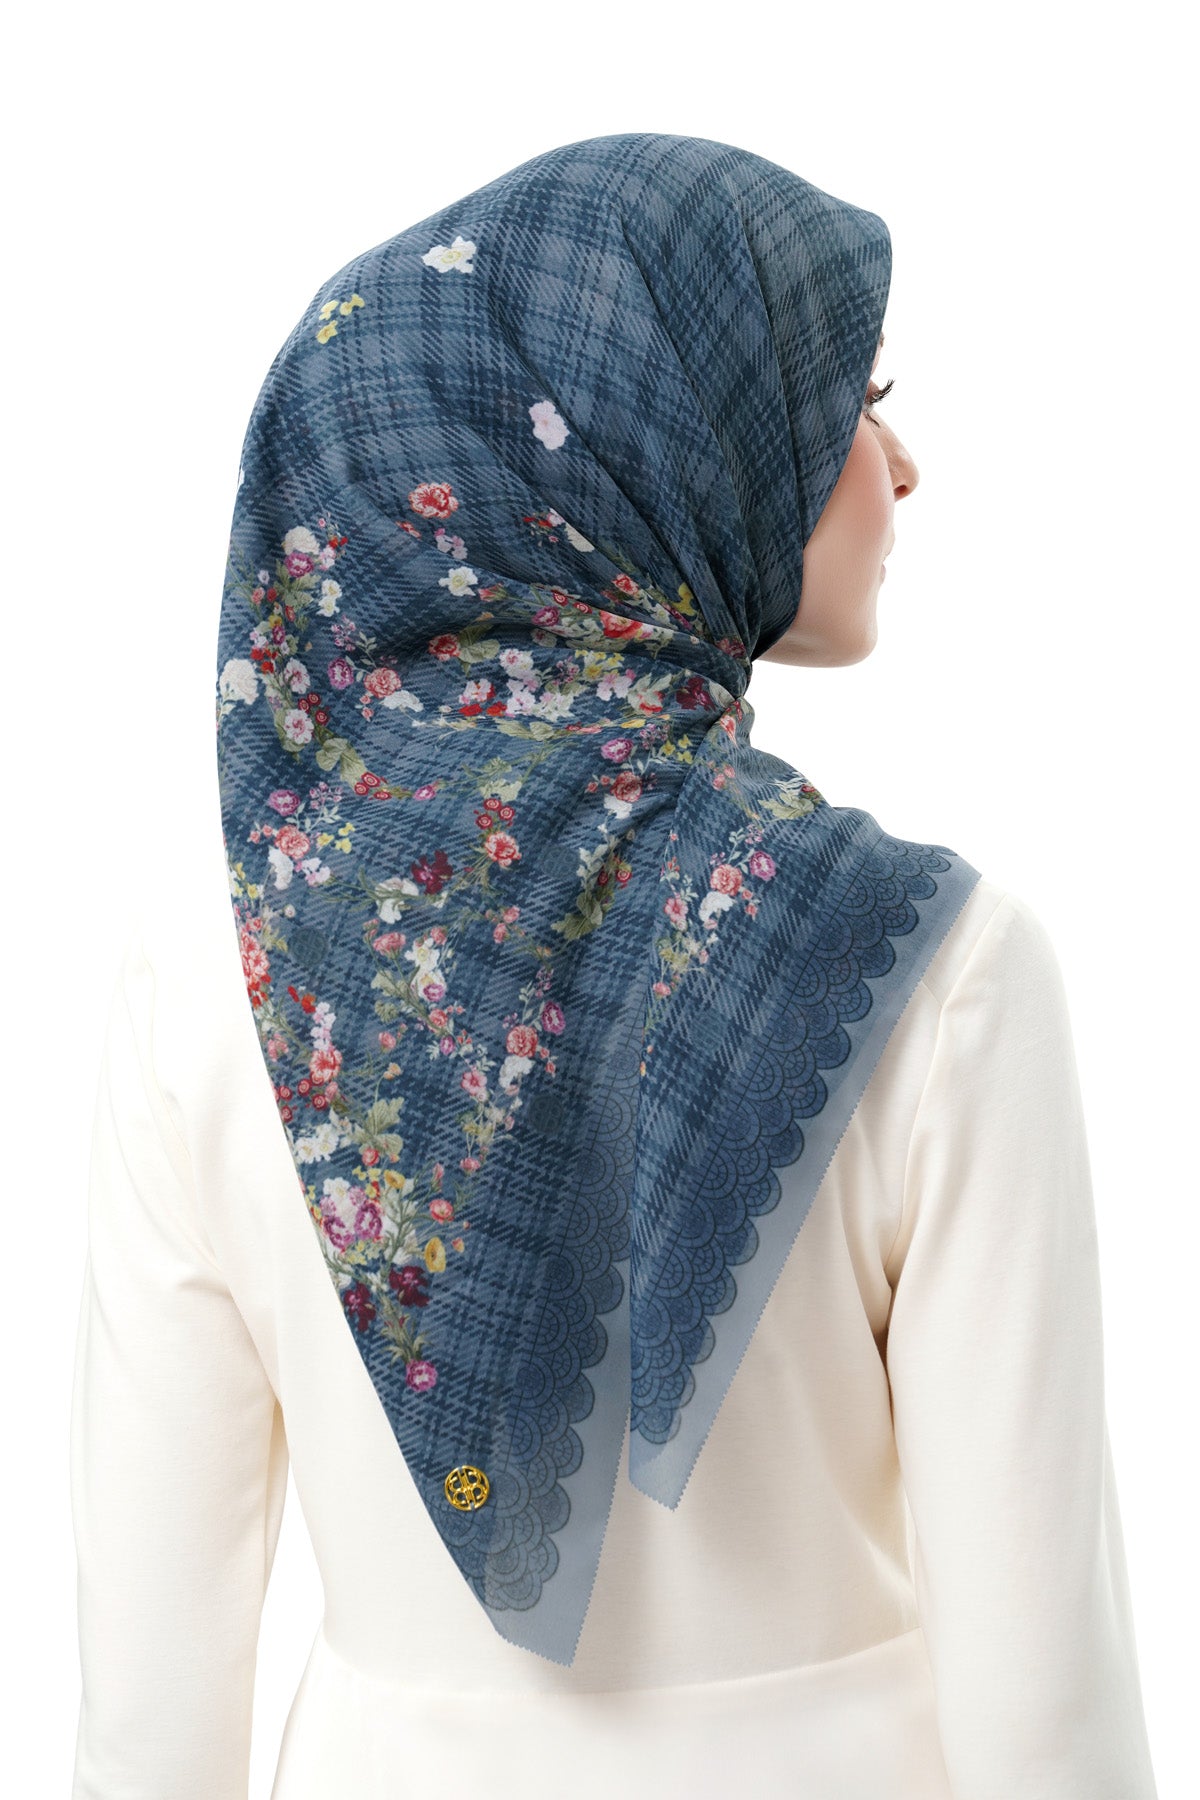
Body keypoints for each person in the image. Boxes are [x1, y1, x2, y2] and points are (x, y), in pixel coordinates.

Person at [69, 133, 1159, 1798]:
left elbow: (147, 1712)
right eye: (851, 397)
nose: (904, 464)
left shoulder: (214, 972)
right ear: (656, 437)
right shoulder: (941, 968)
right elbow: (1046, 1715)